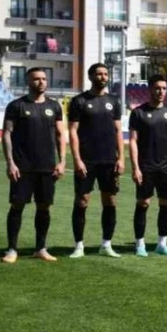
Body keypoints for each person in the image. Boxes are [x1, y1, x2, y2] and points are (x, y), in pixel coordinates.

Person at [1, 67, 66, 263]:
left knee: (44, 207)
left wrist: (62, 161)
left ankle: (41, 248)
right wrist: (10, 163)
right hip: (23, 166)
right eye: (36, 79)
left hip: (47, 166)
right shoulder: (16, 106)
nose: (41, 82)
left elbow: (60, 135)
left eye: (44, 79)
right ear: (28, 82)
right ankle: (12, 249)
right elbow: (6, 134)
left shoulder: (55, 106)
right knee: (17, 206)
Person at [67, 63, 123, 259]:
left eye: (106, 74)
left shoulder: (114, 101)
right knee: (82, 201)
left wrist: (121, 158)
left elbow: (118, 131)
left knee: (110, 201)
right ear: (91, 76)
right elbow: (72, 131)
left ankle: (106, 244)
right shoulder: (79, 101)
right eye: (99, 74)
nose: (103, 77)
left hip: (109, 161)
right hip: (87, 161)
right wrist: (77, 159)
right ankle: (79, 245)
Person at [129, 75, 167, 256]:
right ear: (150, 89)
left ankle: (162, 243)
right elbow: (134, 141)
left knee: (166, 203)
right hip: (146, 166)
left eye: (164, 88)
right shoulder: (138, 113)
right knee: (143, 203)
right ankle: (140, 244)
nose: (161, 92)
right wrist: (135, 167)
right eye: (157, 88)